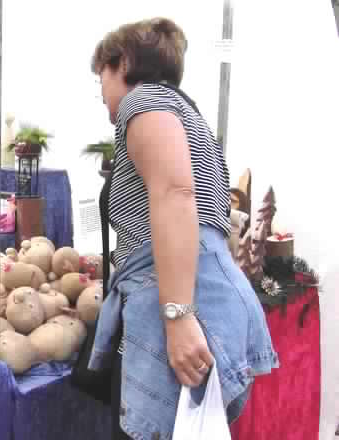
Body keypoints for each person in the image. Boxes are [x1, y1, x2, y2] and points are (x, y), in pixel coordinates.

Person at [88, 18, 279, 439]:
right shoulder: (185, 112)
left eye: (101, 74)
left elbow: (175, 195)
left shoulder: (144, 101)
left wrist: (178, 315)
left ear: (124, 64)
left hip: (182, 298)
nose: (99, 89)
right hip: (207, 291)